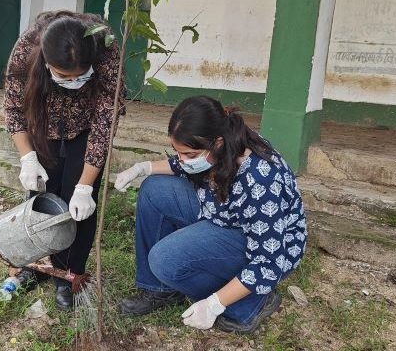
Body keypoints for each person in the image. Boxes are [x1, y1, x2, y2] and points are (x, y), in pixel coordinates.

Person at [114, 96, 307, 333]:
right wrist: (142, 168)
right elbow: (182, 164)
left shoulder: (260, 178)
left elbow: (269, 260)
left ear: (216, 143)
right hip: (222, 211)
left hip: (260, 244)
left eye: (190, 155)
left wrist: (215, 304)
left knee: (164, 260)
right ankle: (160, 290)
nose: (182, 160)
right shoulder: (222, 143)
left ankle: (250, 302)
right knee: (154, 189)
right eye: (178, 151)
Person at [3, 10, 125, 309]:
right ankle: (36, 265)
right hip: (42, 124)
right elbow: (14, 107)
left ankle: (70, 274)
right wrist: (28, 157)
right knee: (41, 195)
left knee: (78, 204)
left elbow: (105, 122)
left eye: (80, 76)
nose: (73, 82)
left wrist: (85, 187)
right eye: (64, 76)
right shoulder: (28, 48)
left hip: (85, 128)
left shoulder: (105, 48)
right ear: (46, 62)